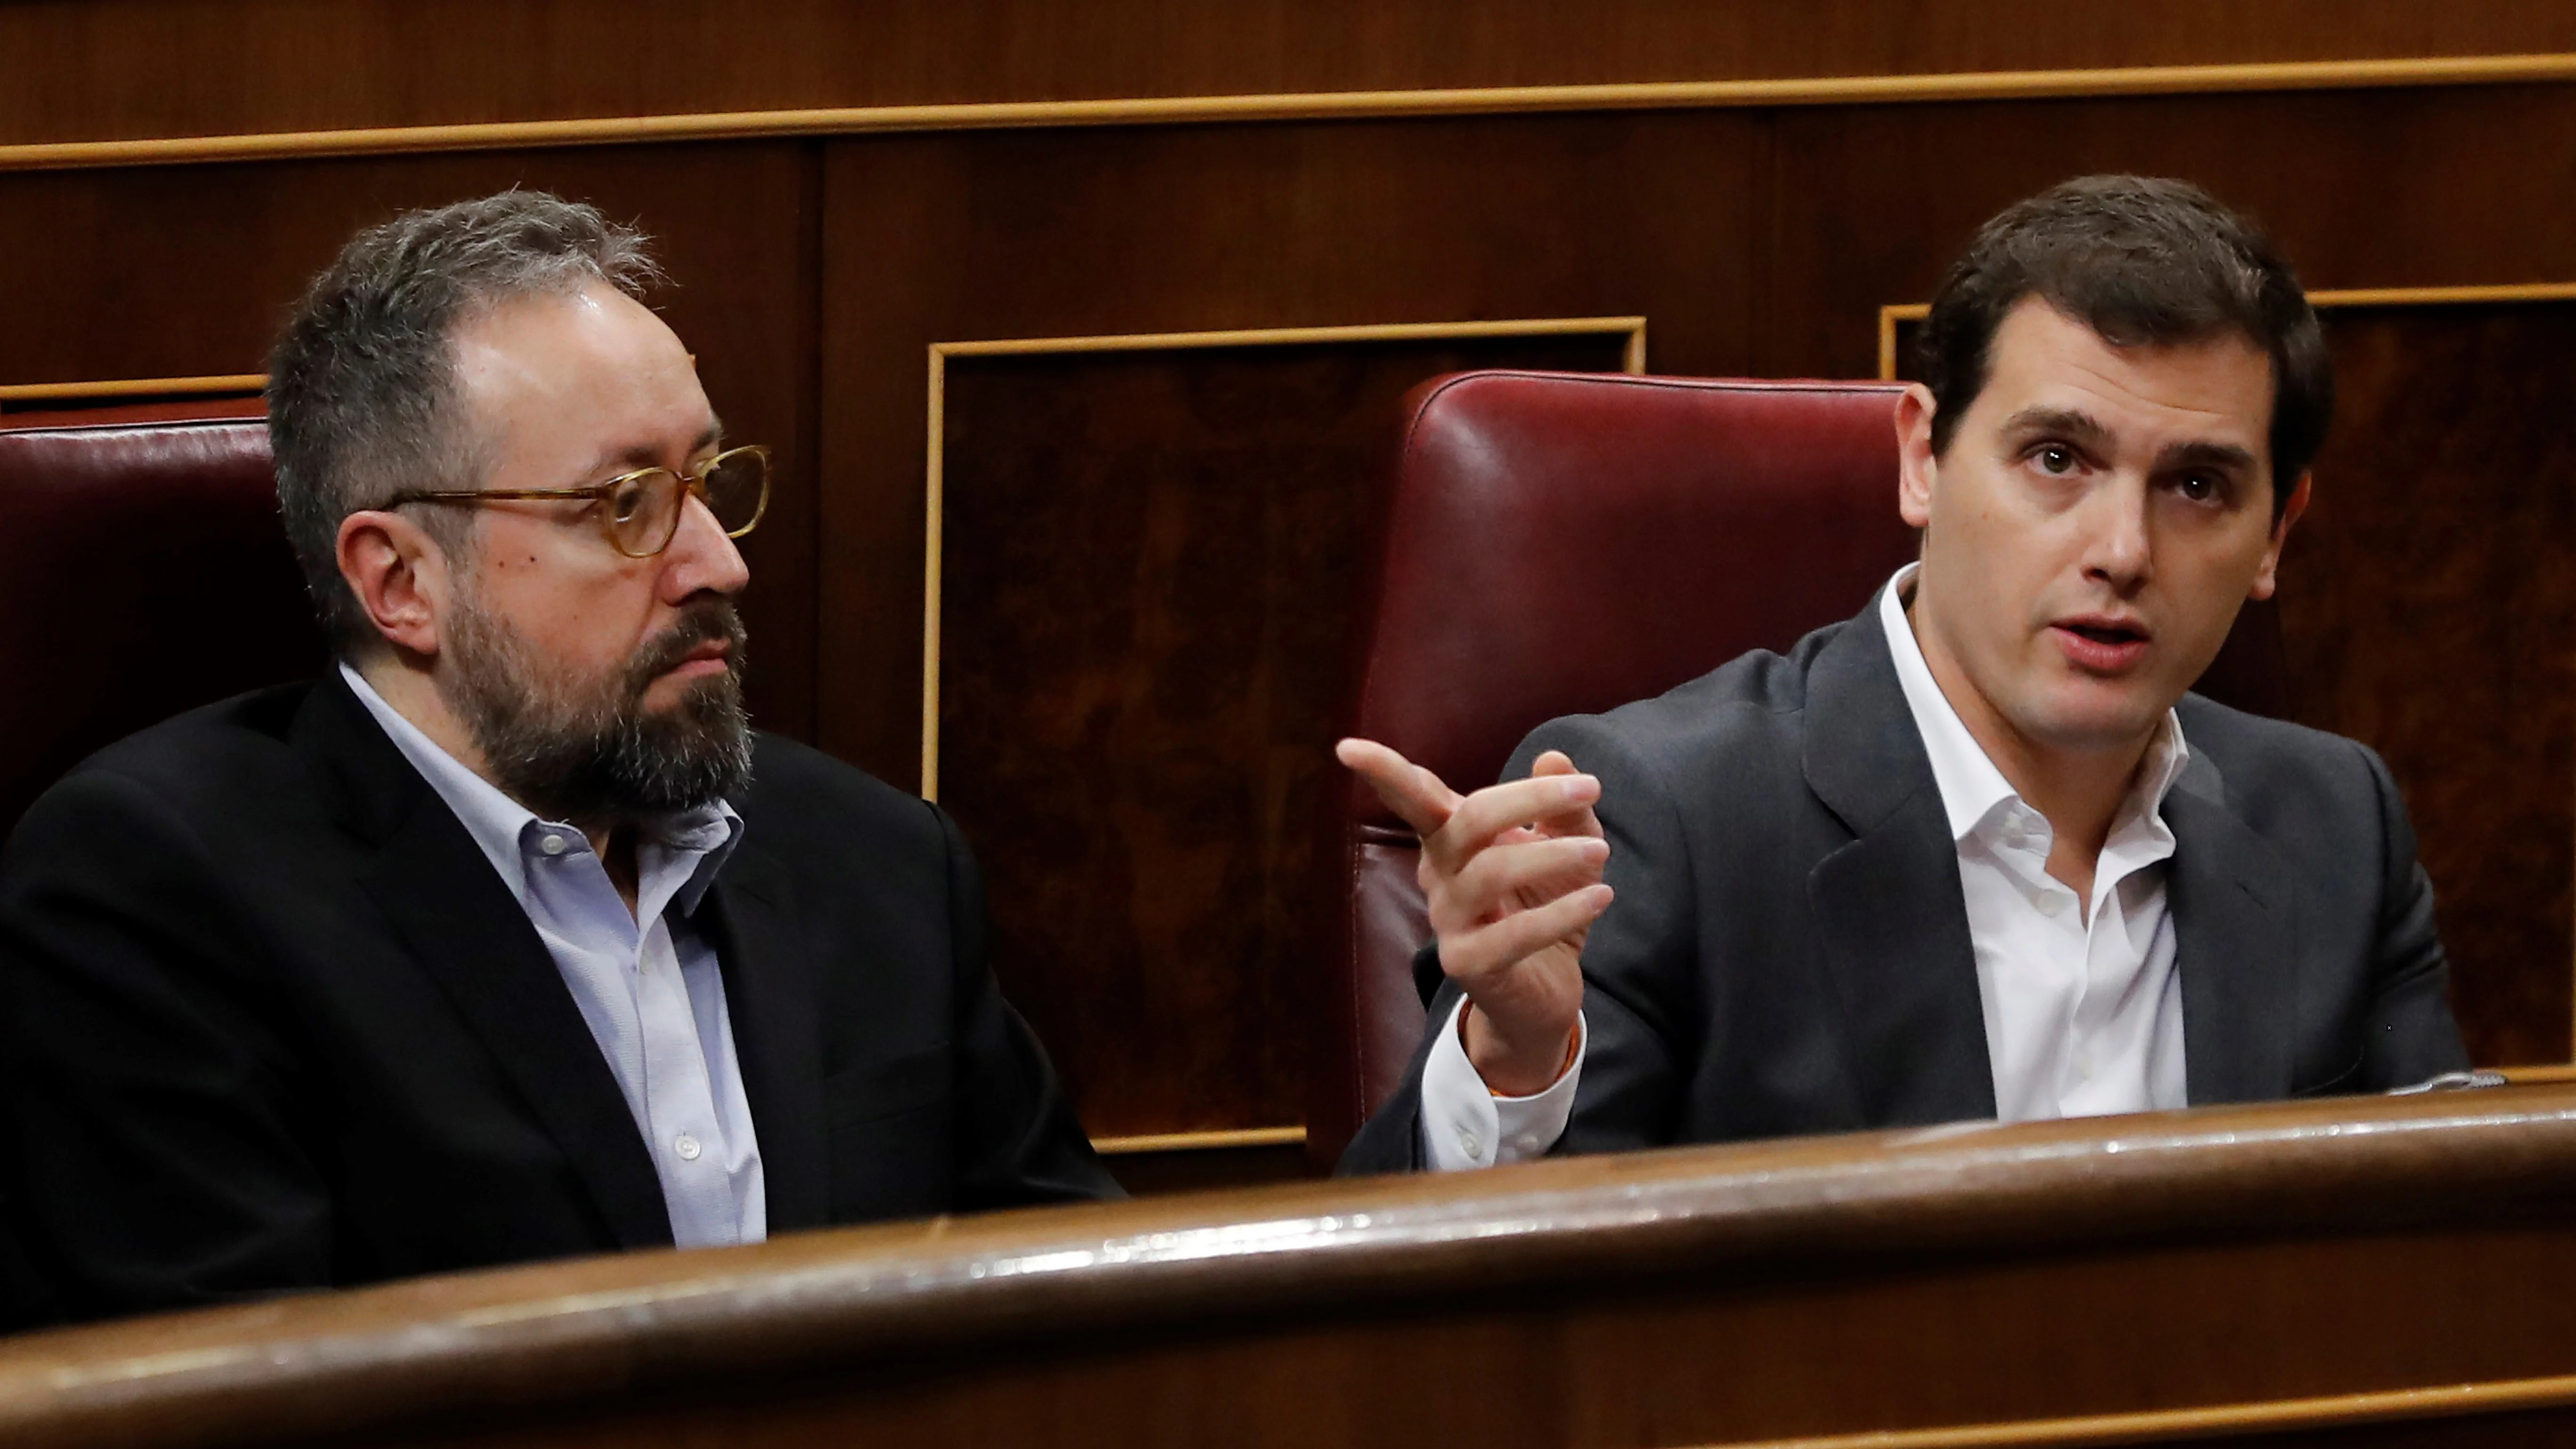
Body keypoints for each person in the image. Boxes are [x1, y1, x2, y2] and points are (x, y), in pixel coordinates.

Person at [0, 191, 1117, 1321]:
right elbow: (236, 1403)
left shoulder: (876, 862)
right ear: (401, 582)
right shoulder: (157, 898)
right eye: (625, 504)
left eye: (710, 483)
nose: (716, 563)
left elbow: (1099, 1335)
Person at [1337, 175, 2469, 1174]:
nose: (2122, 549)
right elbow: (1419, 1334)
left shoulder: (2336, 827)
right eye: (2057, 460)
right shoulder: (1659, 817)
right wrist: (1518, 1064)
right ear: (1923, 458)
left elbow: (2448, 1272)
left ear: (2278, 532)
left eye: (2198, 486)